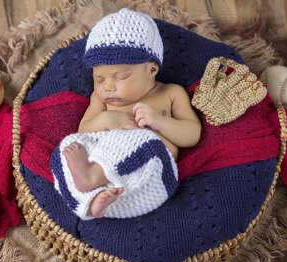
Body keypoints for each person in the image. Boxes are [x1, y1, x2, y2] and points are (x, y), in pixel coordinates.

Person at [51, 8, 201, 220]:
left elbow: (192, 134)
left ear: (151, 70)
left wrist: (160, 122)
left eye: (120, 77)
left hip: (149, 175)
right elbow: (84, 130)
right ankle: (91, 201)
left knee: (141, 140)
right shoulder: (100, 98)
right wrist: (105, 119)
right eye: (99, 79)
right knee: (69, 146)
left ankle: (92, 178)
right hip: (111, 189)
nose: (108, 87)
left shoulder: (170, 93)